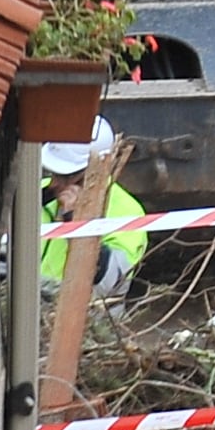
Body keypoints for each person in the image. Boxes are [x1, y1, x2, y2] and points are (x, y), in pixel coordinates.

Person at [37, 120, 148, 302]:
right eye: (53, 173)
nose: (55, 183)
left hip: (89, 323)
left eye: (67, 176)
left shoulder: (127, 212)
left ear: (97, 169)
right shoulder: (43, 194)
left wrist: (76, 223)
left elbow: (110, 282)